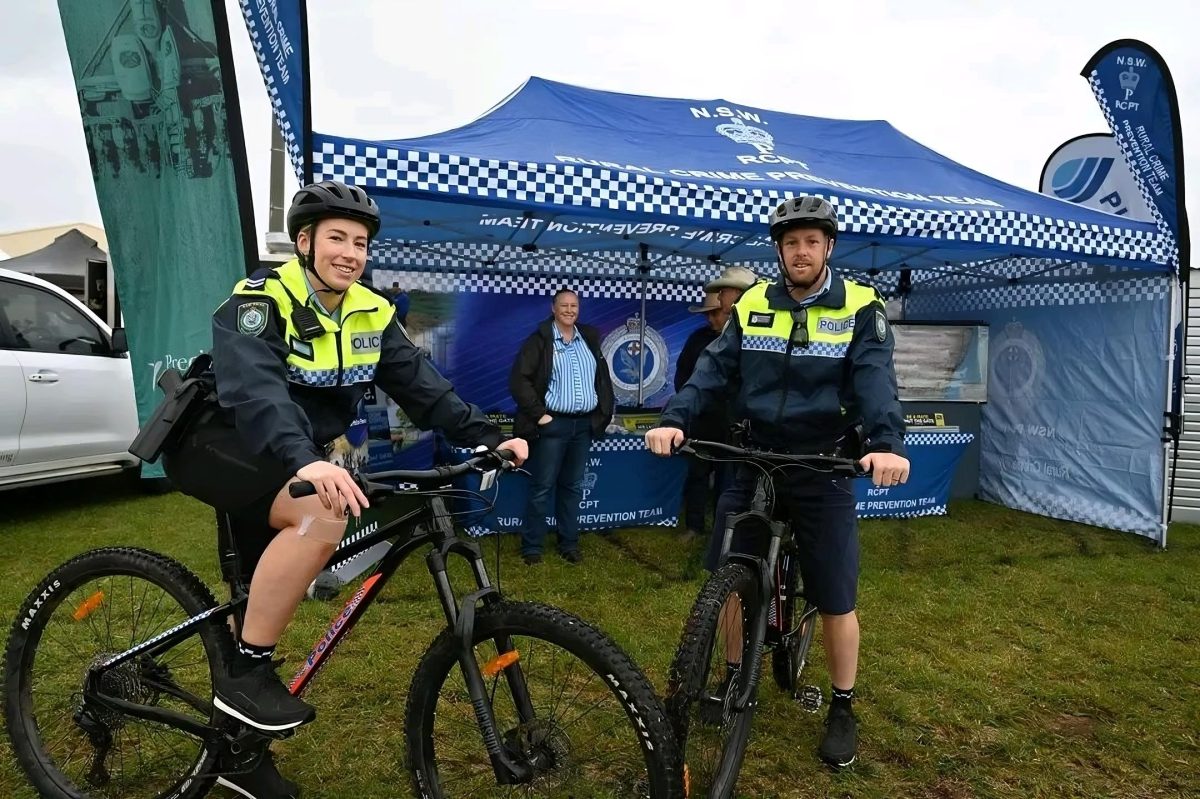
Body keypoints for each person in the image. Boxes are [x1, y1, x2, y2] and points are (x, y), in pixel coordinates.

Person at [164, 180, 528, 798]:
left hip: (286, 457)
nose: (350, 252)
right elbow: (257, 391)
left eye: (360, 242)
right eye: (337, 238)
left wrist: (483, 435)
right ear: (304, 242)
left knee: (256, 595)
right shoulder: (260, 299)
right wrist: (306, 461)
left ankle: (238, 755)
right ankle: (249, 674)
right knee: (324, 516)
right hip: (219, 441)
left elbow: (423, 387)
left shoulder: (370, 311)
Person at [645, 195, 909, 769]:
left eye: (812, 241)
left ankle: (843, 704)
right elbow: (712, 370)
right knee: (731, 574)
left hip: (823, 462)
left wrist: (886, 443)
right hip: (753, 454)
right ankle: (737, 674)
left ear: (828, 247)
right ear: (779, 250)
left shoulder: (861, 305)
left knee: (836, 594)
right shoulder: (754, 304)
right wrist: (674, 418)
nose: (801, 251)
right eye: (791, 243)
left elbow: (875, 380)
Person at [509, 289, 614, 565]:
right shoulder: (540, 341)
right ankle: (532, 548)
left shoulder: (588, 339)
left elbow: (602, 380)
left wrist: (600, 415)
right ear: (553, 309)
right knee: (542, 487)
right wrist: (540, 415)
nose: (569, 310)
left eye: (574, 305)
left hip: (582, 427)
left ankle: (569, 544)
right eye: (564, 305)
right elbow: (519, 381)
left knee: (572, 488)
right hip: (552, 426)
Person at [674, 266, 759, 541]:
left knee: (729, 482)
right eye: (709, 312)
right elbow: (683, 379)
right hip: (702, 424)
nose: (712, 317)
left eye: (716, 311)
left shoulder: (752, 340)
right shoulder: (697, 340)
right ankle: (694, 526)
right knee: (697, 478)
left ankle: (724, 532)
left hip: (735, 426)